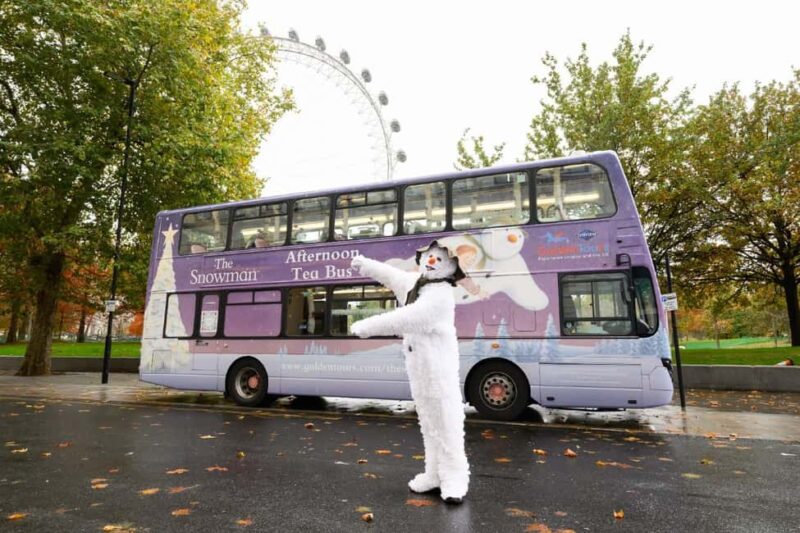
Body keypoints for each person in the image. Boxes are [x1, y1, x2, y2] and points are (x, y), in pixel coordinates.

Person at [350, 241, 470, 503]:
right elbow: (392, 276)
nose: (431, 262)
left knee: (447, 426)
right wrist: (366, 264)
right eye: (429, 257)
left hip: (439, 372)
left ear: (450, 268)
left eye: (439, 259)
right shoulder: (417, 284)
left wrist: (367, 326)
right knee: (429, 425)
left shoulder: (439, 295)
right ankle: (434, 474)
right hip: (420, 372)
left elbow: (410, 317)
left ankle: (455, 478)